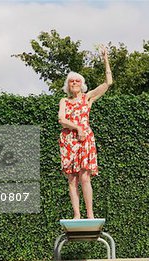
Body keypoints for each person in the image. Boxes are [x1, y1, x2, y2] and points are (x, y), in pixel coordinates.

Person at [58, 45, 113, 219]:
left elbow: (108, 83)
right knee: (72, 180)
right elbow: (61, 120)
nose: (74, 83)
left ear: (82, 85)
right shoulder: (64, 101)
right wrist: (78, 127)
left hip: (85, 141)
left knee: (85, 178)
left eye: (77, 81)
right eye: (71, 81)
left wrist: (105, 60)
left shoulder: (87, 98)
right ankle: (77, 215)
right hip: (69, 141)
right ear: (68, 85)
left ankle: (90, 214)